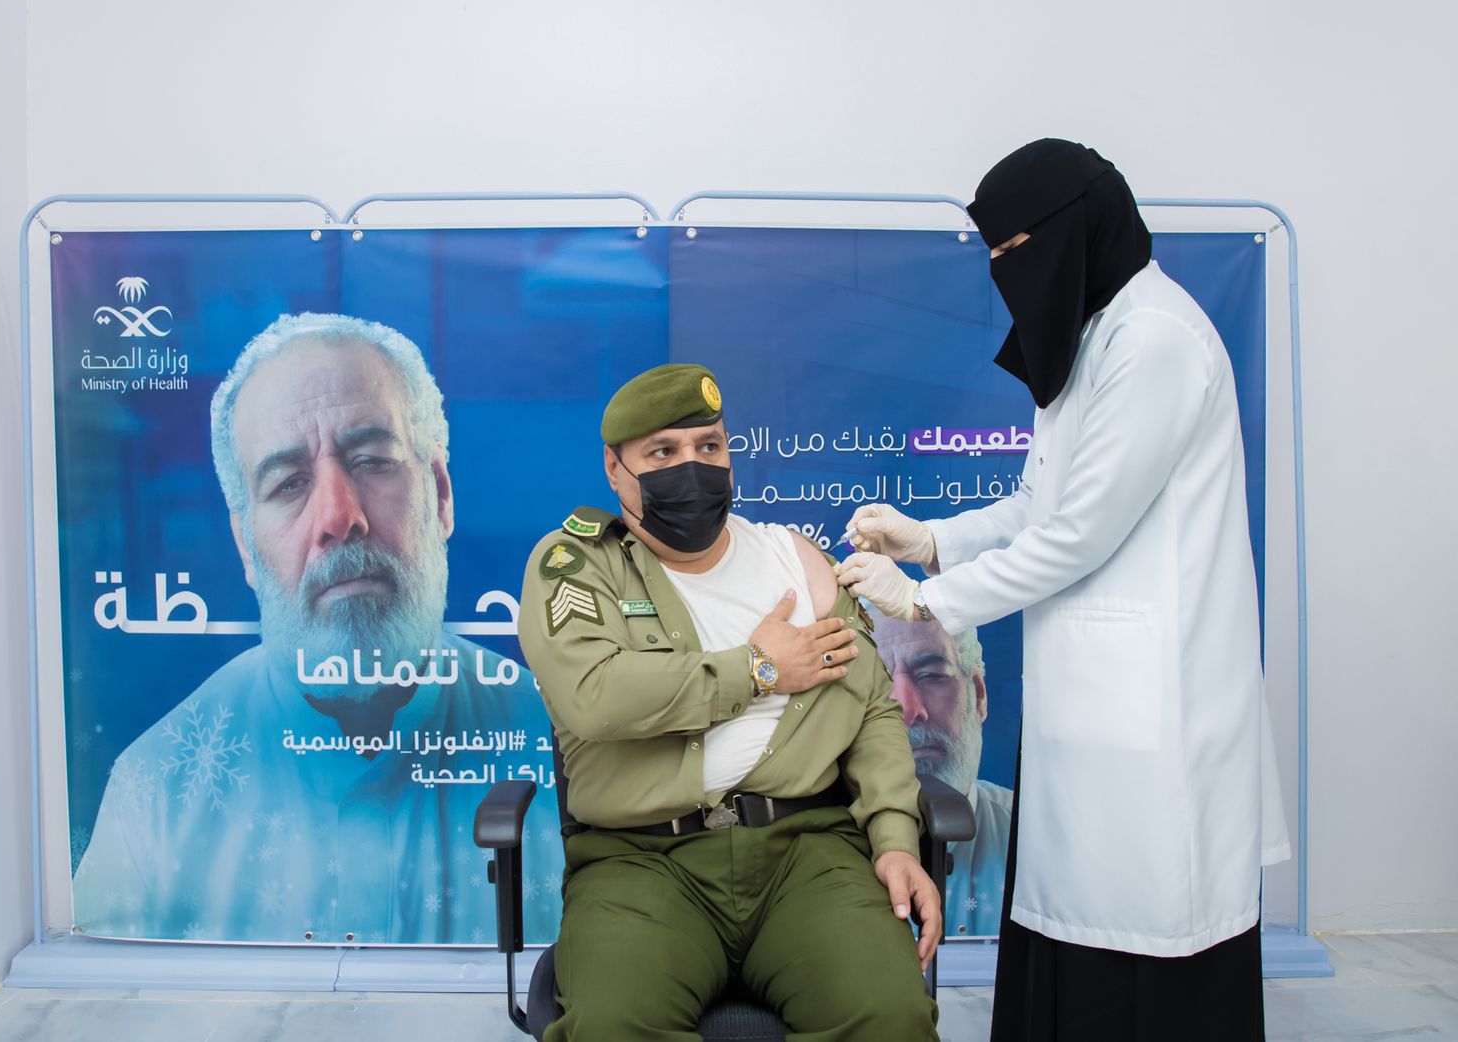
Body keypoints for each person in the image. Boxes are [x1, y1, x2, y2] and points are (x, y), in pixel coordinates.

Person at [835, 140, 1290, 1041]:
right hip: (1095, 697)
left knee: (1149, 924)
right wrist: (931, 540)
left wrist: (925, 603)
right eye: (995, 256)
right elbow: (1037, 506)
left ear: (1079, 230)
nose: (1009, 272)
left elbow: (1081, 533)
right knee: (1076, 917)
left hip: (1158, 698)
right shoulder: (1092, 333)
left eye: (1018, 250)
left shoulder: (1154, 339)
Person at [73, 313, 562, 945]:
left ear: (440, 495)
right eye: (289, 484)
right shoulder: (156, 795)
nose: (337, 516)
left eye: (371, 461)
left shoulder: (563, 751)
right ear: (246, 547)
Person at [517, 363, 940, 1041]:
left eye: (709, 446)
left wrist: (895, 840)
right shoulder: (578, 565)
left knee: (889, 1016)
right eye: (663, 452)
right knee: (611, 1025)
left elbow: (871, 711)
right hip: (643, 863)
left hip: (806, 854)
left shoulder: (796, 559)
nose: (692, 467)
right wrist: (760, 669)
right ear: (616, 469)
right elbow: (595, 696)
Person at [873, 614, 1011, 938]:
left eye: (932, 676)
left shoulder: (1037, 838)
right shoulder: (817, 853)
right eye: (878, 685)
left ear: (979, 696)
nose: (908, 710)